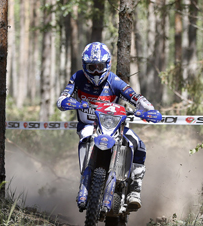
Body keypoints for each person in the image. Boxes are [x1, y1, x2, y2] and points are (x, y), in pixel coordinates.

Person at [56, 42, 154, 211]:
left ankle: (135, 189)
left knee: (138, 145)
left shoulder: (114, 81)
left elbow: (135, 97)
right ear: (84, 66)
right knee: (87, 136)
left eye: (99, 67)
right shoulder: (78, 77)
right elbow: (61, 99)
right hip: (88, 126)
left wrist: (149, 109)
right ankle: (84, 181)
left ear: (107, 64)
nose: (95, 72)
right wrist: (72, 103)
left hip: (113, 127)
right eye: (91, 67)